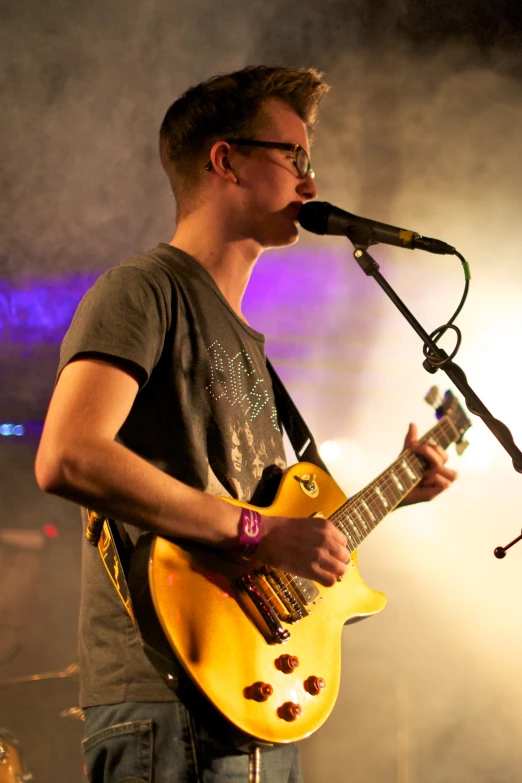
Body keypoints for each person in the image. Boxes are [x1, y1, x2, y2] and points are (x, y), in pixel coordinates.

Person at [34, 66, 457, 783]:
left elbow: (272, 520)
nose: (312, 184)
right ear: (225, 160)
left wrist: (395, 490)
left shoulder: (251, 349)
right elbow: (69, 455)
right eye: (294, 157)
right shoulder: (145, 288)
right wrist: (265, 532)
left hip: (249, 703)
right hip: (166, 703)